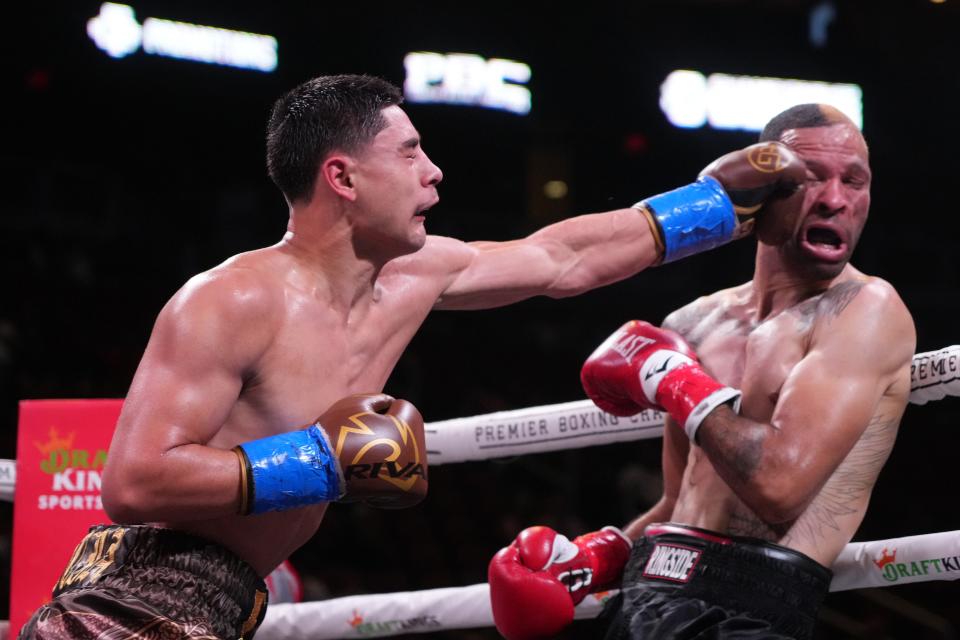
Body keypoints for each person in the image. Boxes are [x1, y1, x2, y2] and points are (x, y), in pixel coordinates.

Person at [21, 74, 802, 640]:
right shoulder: (232, 299)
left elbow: (562, 257)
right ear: (343, 177)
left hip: (228, 603)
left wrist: (719, 206)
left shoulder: (415, 277)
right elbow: (132, 480)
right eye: (411, 152)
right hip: (136, 599)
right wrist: (318, 464)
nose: (434, 172)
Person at [489, 103, 915, 640]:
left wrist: (669, 374)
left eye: (854, 180)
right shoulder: (694, 321)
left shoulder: (865, 309)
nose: (835, 199)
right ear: (763, 189)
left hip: (749, 610)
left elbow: (779, 486)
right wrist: (597, 555)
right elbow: (680, 499)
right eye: (809, 179)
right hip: (645, 592)